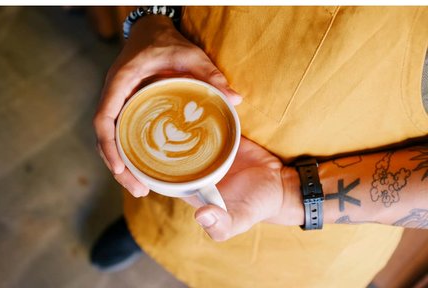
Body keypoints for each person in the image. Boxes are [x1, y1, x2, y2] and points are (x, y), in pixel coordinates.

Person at [92, 6, 428, 288]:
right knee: (161, 209)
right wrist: (153, 19)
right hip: (167, 131)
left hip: (317, 229)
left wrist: (289, 193)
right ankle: (149, 236)